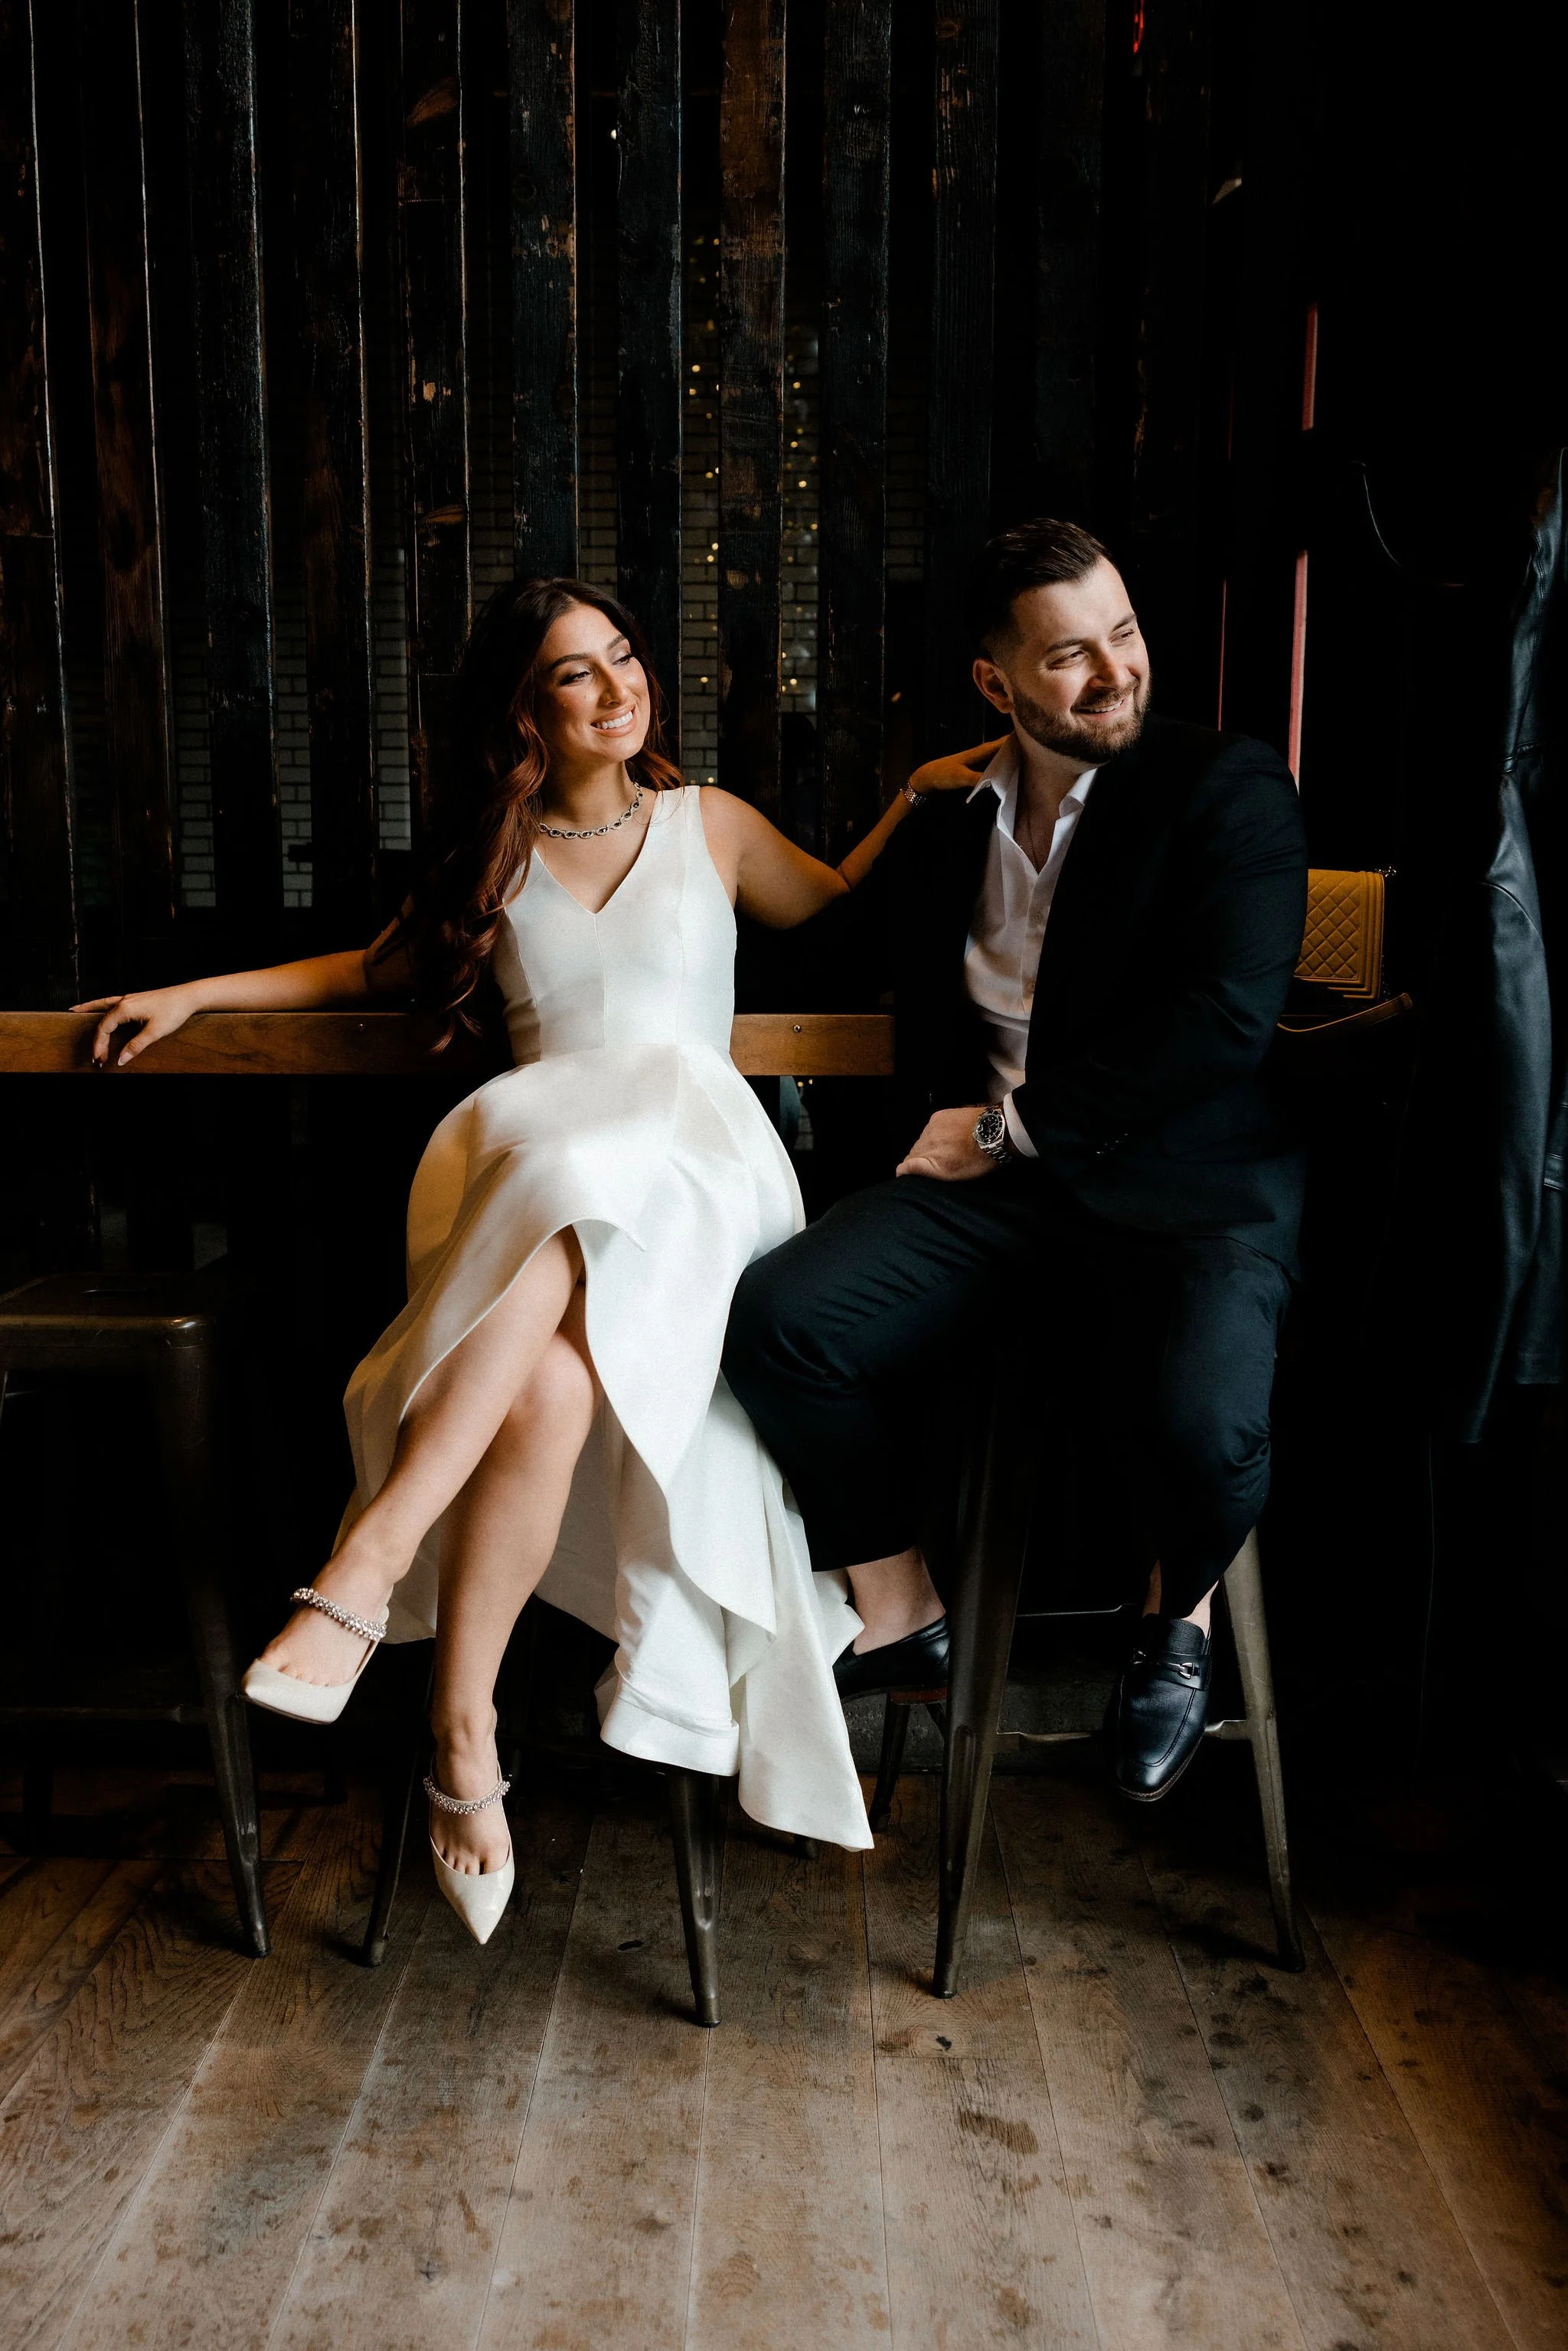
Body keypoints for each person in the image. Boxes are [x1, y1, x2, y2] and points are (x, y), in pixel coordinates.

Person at [76, 579, 968, 1941]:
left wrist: (915, 794)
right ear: (524, 711)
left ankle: (365, 1569)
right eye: (575, 675)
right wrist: (199, 991)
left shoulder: (709, 825)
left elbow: (833, 891)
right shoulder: (493, 863)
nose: (619, 689)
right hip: (538, 1168)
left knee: (586, 1178)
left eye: (623, 658)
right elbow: (366, 973)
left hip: (700, 1182)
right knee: (550, 1361)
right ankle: (461, 1738)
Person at [724, 518, 1308, 1804]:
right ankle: (901, 1606)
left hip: (1184, 1195)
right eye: (1068, 658)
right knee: (777, 1321)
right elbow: (814, 954)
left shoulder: (1227, 790)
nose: (1115, 675)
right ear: (994, 684)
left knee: (1205, 1433)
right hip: (994, 1211)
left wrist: (1001, 1128)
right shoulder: (948, 824)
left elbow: (1220, 1027)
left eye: (1126, 636)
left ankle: (1176, 1612)